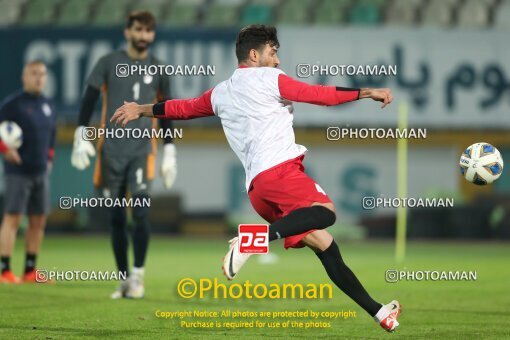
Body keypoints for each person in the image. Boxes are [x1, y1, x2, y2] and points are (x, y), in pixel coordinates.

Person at [110, 25, 401, 332]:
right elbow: (320, 95)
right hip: (281, 173)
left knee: (327, 248)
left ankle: (379, 312)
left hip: (258, 190)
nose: (277, 60)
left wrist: (141, 109)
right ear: (254, 54)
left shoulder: (220, 92)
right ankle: (254, 241)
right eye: (273, 52)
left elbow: (181, 108)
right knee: (327, 212)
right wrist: (367, 91)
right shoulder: (271, 78)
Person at [71, 11, 177, 299]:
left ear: (153, 35)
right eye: (139, 30)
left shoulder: (160, 68)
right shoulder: (107, 62)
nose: (144, 36)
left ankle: (139, 276)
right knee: (116, 217)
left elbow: (166, 110)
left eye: (148, 31)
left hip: (143, 152)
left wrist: (169, 149)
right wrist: (81, 133)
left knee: (140, 213)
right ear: (127, 31)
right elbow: (89, 98)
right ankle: (123, 279)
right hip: (111, 153)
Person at [0, 60, 56, 284]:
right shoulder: (13, 104)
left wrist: (50, 159)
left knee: (38, 221)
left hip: (40, 173)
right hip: (18, 172)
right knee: (12, 219)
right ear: (24, 77)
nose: (39, 78)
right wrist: (5, 150)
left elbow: (51, 135)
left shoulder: (48, 105)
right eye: (34, 74)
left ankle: (30, 270)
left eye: (42, 74)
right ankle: (5, 270)